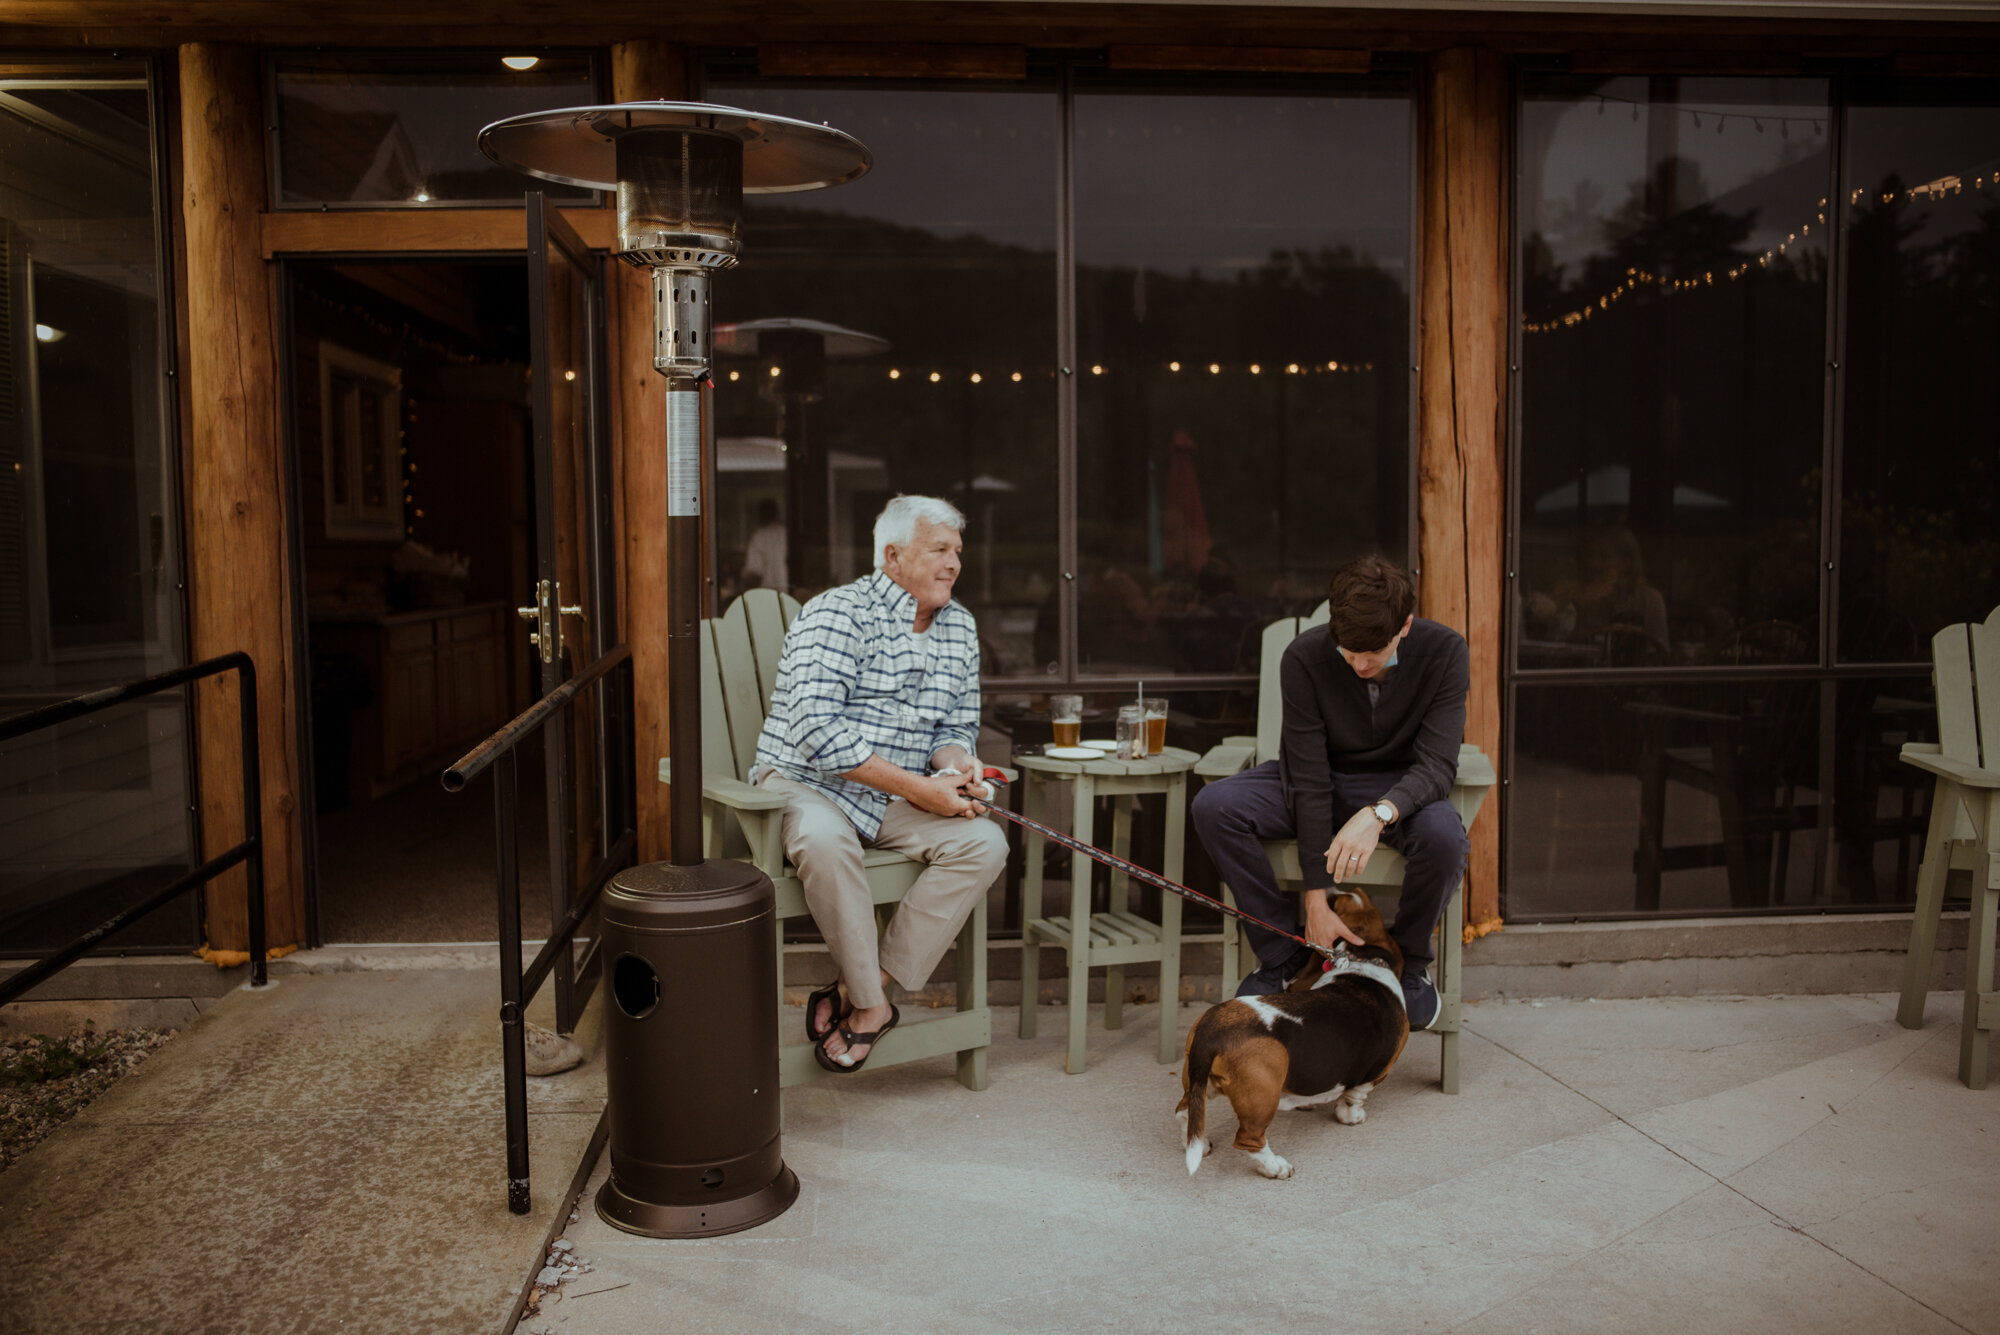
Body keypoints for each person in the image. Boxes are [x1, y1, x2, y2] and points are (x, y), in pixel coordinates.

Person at [751, 494, 1007, 1072]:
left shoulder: (959, 625)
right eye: (939, 549)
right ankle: (870, 1007)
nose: (953, 563)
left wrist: (957, 763)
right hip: (805, 781)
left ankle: (856, 989)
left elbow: (956, 723)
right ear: (893, 556)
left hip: (892, 793)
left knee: (985, 844)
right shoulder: (838, 613)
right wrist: (920, 790)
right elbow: (815, 731)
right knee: (824, 841)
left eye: (957, 552)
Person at [1190, 553, 1470, 1030]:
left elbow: (1438, 765)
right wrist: (1315, 898)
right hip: (1317, 778)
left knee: (1446, 838)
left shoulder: (1445, 653)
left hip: (1402, 791)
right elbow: (1308, 777)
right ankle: (1283, 952)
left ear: (1405, 626)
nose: (1360, 664)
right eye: (1348, 652)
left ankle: (1410, 965)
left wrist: (1379, 813)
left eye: (1373, 653)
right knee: (1215, 806)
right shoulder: (1304, 656)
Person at [741, 497, 789, 593]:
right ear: (777, 514)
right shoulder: (786, 533)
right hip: (788, 594)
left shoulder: (759, 536)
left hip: (768, 596)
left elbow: (754, 574)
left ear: (760, 515)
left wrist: (741, 589)